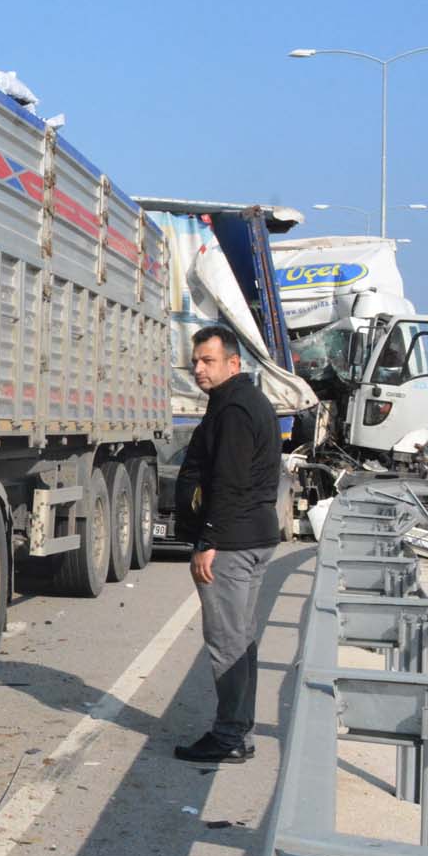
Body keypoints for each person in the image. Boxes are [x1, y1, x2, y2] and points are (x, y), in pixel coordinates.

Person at [172, 325, 282, 764]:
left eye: (208, 361)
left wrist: (208, 540)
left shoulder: (234, 410)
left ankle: (231, 735)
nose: (199, 368)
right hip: (251, 536)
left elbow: (229, 482)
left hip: (232, 543)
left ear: (233, 364)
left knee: (227, 641)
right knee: (239, 637)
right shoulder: (242, 402)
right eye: (196, 360)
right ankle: (238, 729)